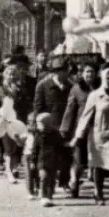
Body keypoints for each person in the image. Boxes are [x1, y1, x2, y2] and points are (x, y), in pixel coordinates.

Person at [72, 65, 109, 205]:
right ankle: (98, 192)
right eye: (108, 77)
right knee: (98, 165)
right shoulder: (94, 95)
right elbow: (86, 116)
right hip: (97, 136)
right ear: (103, 79)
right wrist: (78, 135)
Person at [61, 60, 99, 198]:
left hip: (97, 129)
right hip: (80, 130)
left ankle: (97, 190)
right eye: (87, 71)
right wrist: (65, 129)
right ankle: (75, 184)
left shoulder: (100, 87)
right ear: (82, 74)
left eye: (92, 72)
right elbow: (70, 110)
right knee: (79, 160)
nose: (90, 74)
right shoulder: (76, 89)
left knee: (96, 160)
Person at [34, 57, 71, 192]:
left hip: (65, 126)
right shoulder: (43, 86)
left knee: (66, 156)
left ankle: (64, 182)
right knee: (49, 158)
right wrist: (39, 126)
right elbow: (38, 107)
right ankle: (45, 184)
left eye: (64, 71)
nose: (62, 74)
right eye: (57, 71)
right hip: (49, 128)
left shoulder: (70, 86)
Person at [31, 112, 65, 206]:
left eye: (40, 124)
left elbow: (60, 148)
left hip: (53, 161)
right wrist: (33, 161)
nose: (38, 126)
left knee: (52, 180)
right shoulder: (38, 135)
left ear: (47, 123)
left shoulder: (56, 134)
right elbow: (35, 149)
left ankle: (49, 197)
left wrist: (61, 161)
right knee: (44, 178)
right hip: (42, 161)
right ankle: (43, 197)